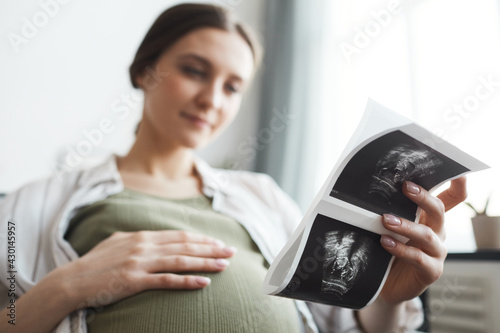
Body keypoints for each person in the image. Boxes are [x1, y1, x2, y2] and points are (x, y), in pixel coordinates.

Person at [0, 3, 467, 333]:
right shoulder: (34, 203)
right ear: (146, 70)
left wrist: (387, 298)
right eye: (195, 71)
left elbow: (347, 326)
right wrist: (67, 286)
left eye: (232, 86)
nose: (211, 100)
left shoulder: (262, 197)